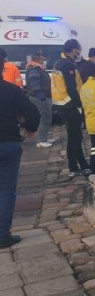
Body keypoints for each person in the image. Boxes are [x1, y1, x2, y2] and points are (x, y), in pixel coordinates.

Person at [0, 74, 40, 248]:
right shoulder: (11, 90)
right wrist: (30, 129)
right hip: (8, 144)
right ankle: (2, 234)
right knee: (7, 189)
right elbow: (32, 114)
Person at [51, 39, 91, 178]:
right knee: (74, 138)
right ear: (74, 50)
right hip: (70, 105)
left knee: (77, 136)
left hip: (62, 104)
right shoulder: (67, 65)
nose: (79, 52)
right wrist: (80, 104)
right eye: (79, 49)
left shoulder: (59, 63)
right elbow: (71, 88)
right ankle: (73, 167)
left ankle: (83, 164)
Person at [25, 53, 54, 147]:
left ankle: (43, 137)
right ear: (38, 60)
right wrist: (42, 98)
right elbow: (35, 85)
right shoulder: (34, 69)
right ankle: (41, 140)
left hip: (40, 96)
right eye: (43, 59)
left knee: (46, 117)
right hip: (39, 97)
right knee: (45, 117)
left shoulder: (37, 68)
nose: (44, 61)